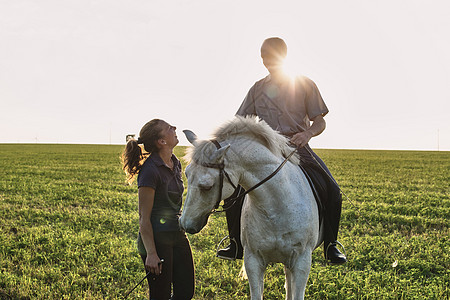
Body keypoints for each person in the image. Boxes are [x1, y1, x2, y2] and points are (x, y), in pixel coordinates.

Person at [217, 37, 347, 265]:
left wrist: (307, 134)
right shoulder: (257, 88)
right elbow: (240, 121)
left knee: (333, 190)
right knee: (235, 190)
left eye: (271, 56)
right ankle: (236, 243)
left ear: (284, 56)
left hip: (297, 146)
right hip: (265, 149)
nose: (266, 61)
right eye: (263, 57)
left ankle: (330, 246)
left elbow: (320, 122)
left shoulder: (305, 84)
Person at [122, 119, 195, 299]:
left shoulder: (175, 163)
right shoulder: (150, 171)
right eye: (169, 128)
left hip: (177, 234)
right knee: (160, 295)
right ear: (161, 141)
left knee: (186, 292)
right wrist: (151, 254)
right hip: (156, 239)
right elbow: (143, 218)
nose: (175, 128)